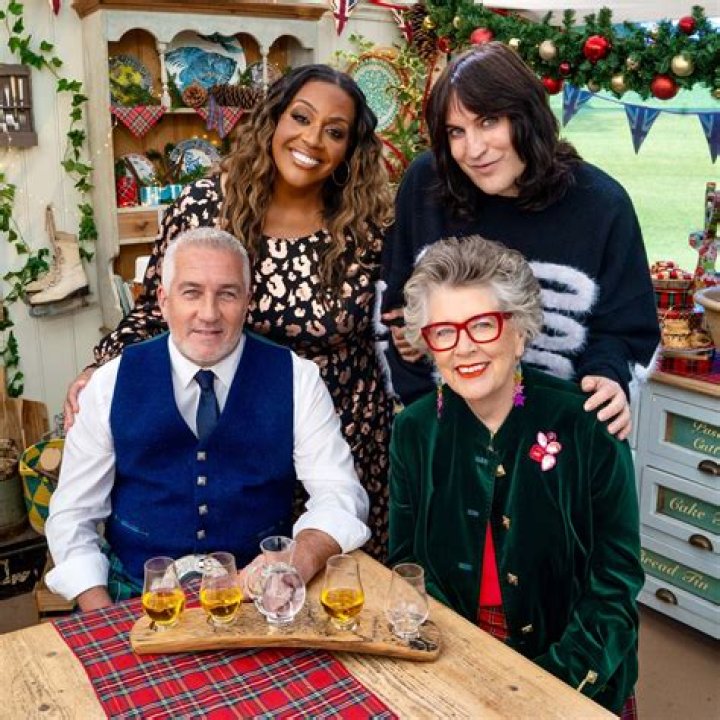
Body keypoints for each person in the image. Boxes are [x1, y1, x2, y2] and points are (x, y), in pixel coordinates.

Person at [65, 64, 394, 559]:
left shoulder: (366, 226)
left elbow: (391, 321)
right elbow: (157, 306)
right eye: (300, 117)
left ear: (351, 148)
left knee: (323, 580)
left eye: (335, 131)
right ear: (274, 119)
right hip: (234, 443)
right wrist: (101, 368)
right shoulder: (205, 205)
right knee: (231, 572)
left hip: (342, 438)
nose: (312, 139)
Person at [46, 228, 370, 611]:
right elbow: (72, 516)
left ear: (248, 300)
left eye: (227, 294)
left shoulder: (298, 378)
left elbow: (340, 493)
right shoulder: (108, 384)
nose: (209, 313)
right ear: (163, 301)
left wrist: (297, 560)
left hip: (262, 595)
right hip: (135, 595)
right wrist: (103, 614)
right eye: (191, 292)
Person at [388, 235, 643, 718]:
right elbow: (408, 565)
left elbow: (615, 585)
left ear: (521, 331)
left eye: (483, 325)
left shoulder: (589, 425)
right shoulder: (414, 430)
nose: (464, 348)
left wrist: (545, 692)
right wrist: (463, 665)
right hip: (458, 666)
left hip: (576, 675)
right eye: (443, 331)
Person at [382, 42, 659, 441]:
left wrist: (607, 374)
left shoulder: (602, 206)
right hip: (444, 433)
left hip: (560, 439)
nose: (474, 149)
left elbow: (625, 330)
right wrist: (429, 416)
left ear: (528, 114)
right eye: (456, 131)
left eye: (489, 121)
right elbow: (397, 310)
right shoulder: (426, 184)